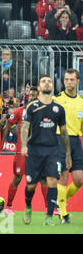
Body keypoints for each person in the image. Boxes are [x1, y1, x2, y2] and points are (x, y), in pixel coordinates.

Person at [20, 74, 70, 226]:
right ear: (39, 87)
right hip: (34, 150)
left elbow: (64, 131)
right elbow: (25, 127)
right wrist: (23, 145)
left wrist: (67, 152)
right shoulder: (31, 106)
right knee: (31, 185)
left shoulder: (59, 109)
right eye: (44, 81)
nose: (47, 83)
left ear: (52, 86)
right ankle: (28, 206)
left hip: (52, 149)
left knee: (52, 181)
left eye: (49, 81)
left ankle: (49, 217)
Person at [1, 86, 44, 215]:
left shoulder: (44, 112)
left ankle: (50, 208)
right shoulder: (20, 111)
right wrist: (1, 144)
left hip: (39, 151)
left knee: (43, 179)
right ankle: (8, 206)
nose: (32, 97)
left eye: (35, 95)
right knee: (17, 178)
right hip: (21, 152)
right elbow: (8, 125)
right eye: (30, 95)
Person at [53, 69, 83, 224]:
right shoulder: (56, 100)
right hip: (60, 140)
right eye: (66, 79)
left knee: (79, 179)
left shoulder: (81, 102)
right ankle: (63, 214)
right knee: (63, 176)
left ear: (78, 81)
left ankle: (60, 200)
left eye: (72, 79)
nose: (69, 82)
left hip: (76, 141)